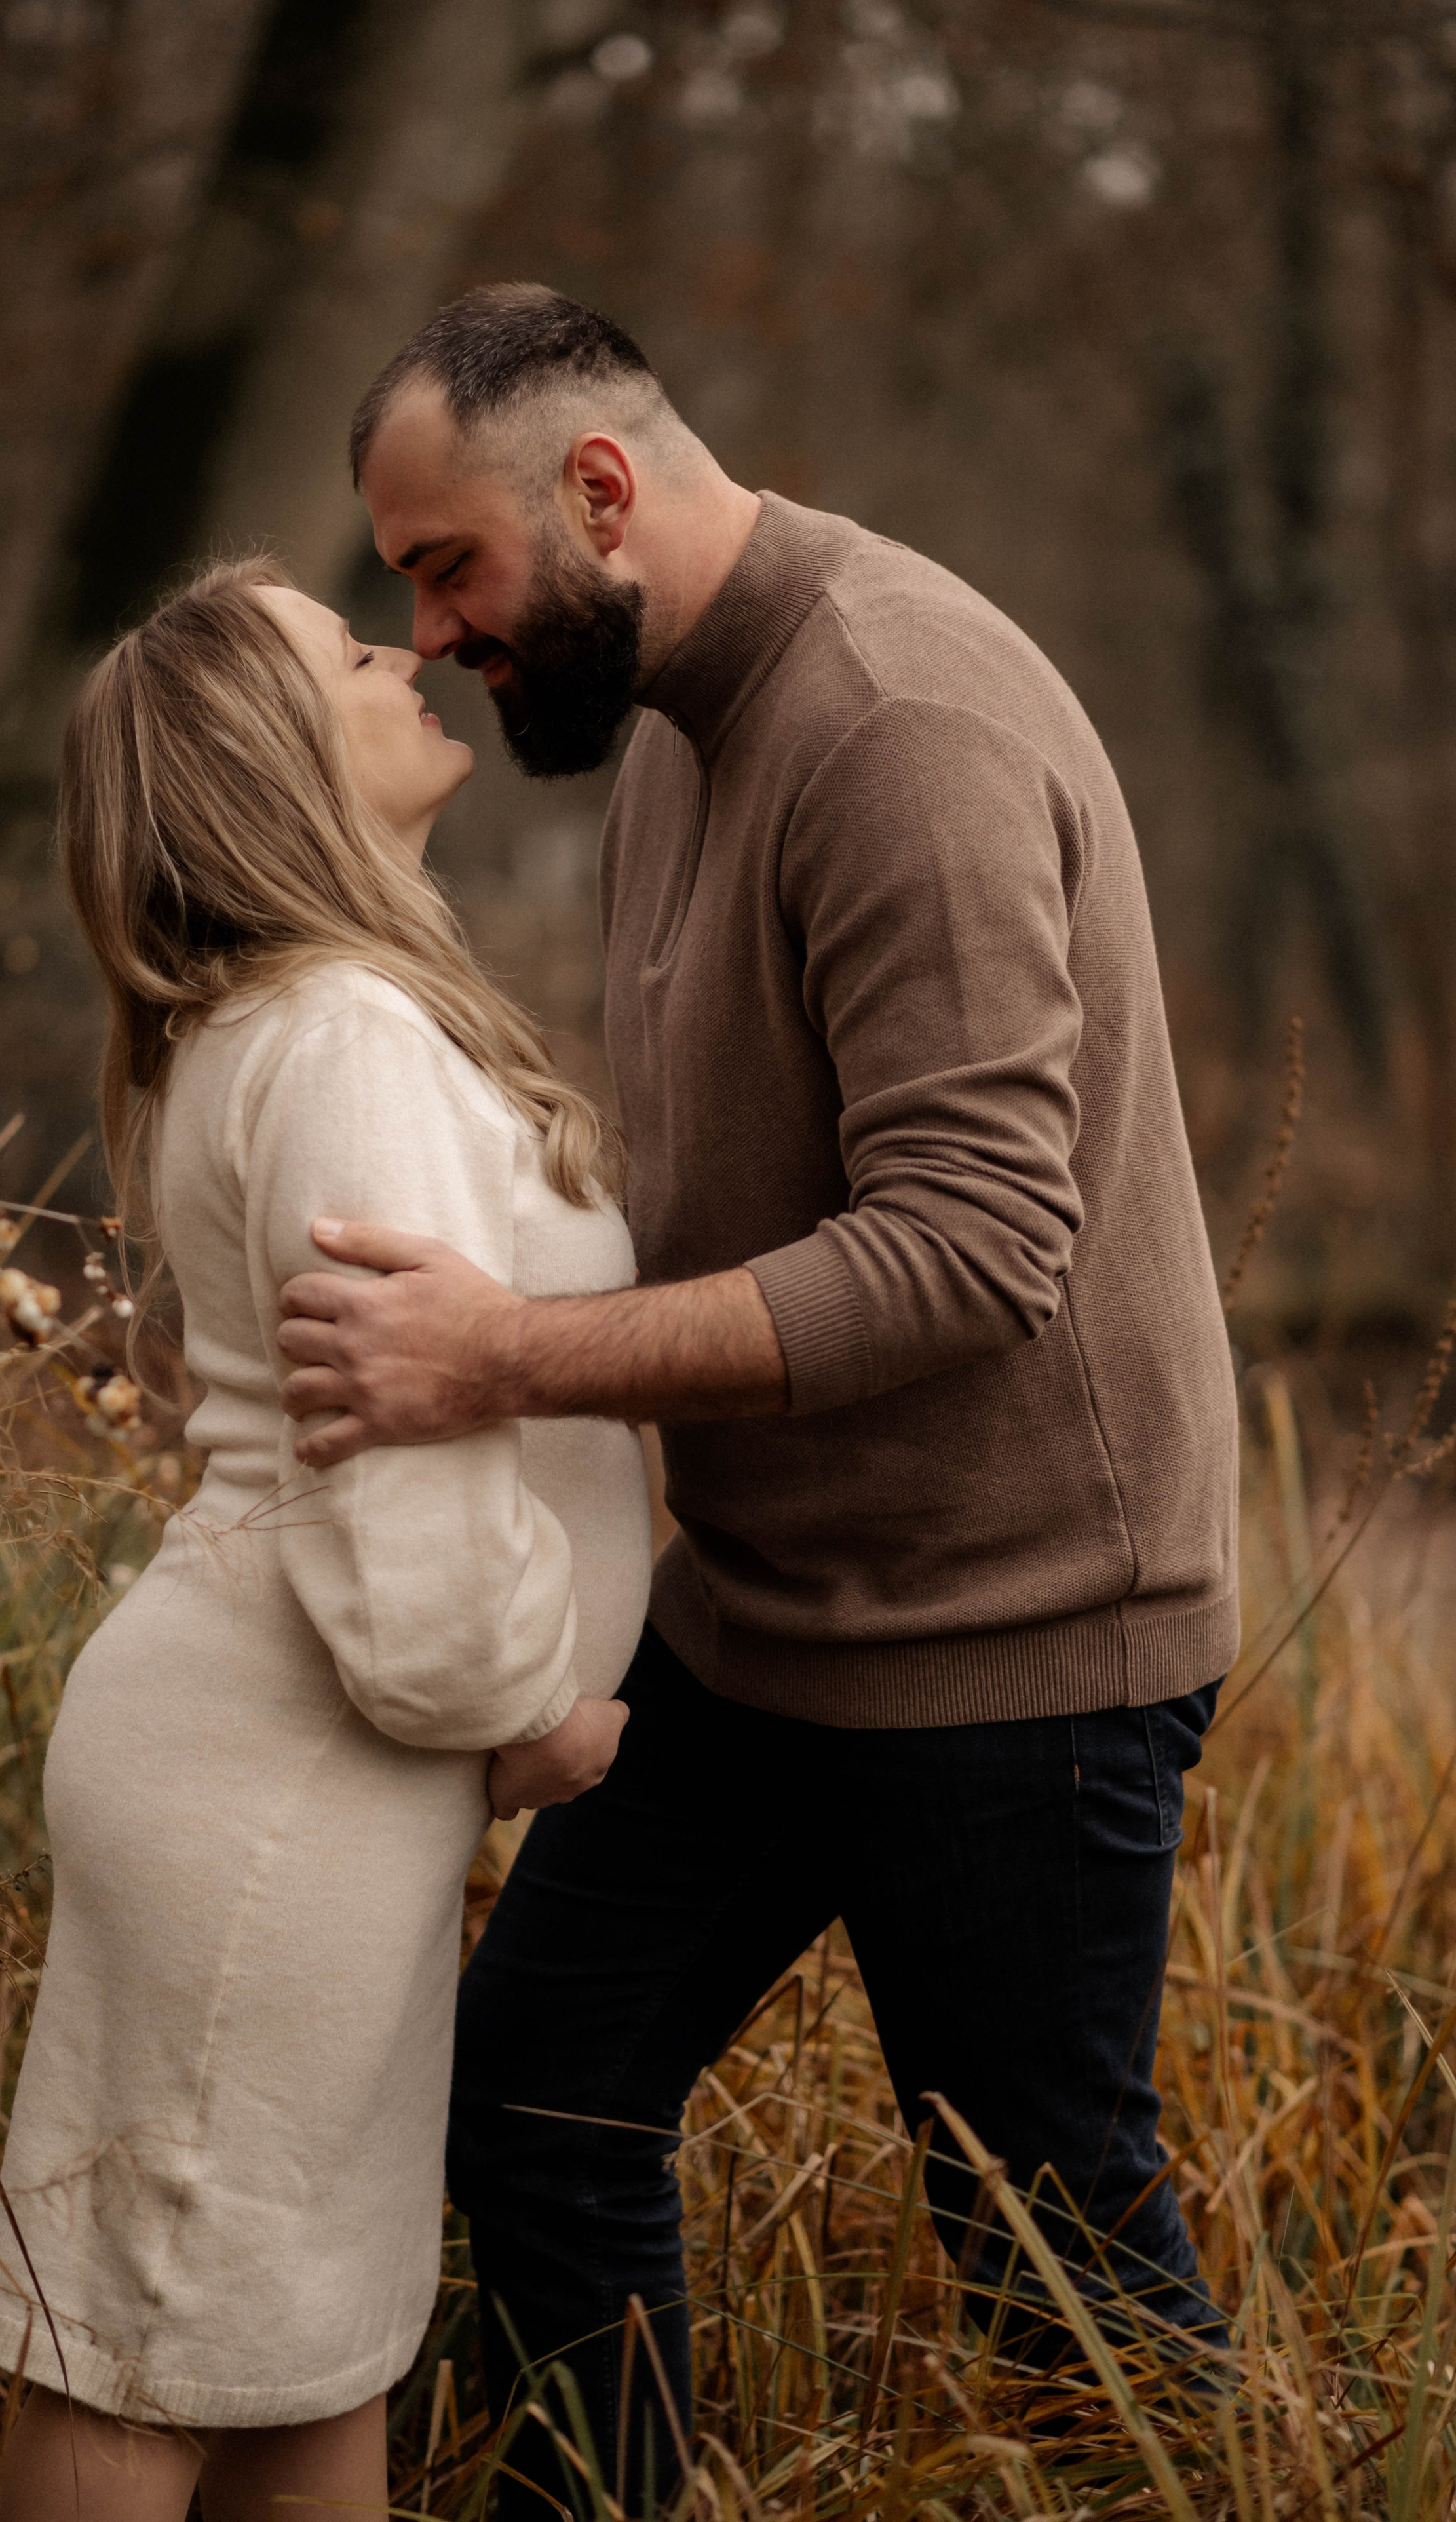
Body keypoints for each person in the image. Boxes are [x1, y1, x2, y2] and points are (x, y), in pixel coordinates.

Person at [275, 285, 1242, 2506]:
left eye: (447, 567)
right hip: (774, 1617)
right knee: (539, 2099)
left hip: (1018, 1655)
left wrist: (501, 1358)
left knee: (1052, 2271)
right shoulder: (679, 723)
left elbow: (982, 1248)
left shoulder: (898, 722)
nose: (424, 634)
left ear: (599, 492)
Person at [0, 556, 653, 2521]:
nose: (400, 650)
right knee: (147, 2347)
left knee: (296, 2359)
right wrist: (538, 1711)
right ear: (272, 758)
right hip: (291, 1786)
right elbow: (404, 1490)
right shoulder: (344, 1037)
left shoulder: (305, 1020)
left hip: (306, 1786)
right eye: (344, 656)